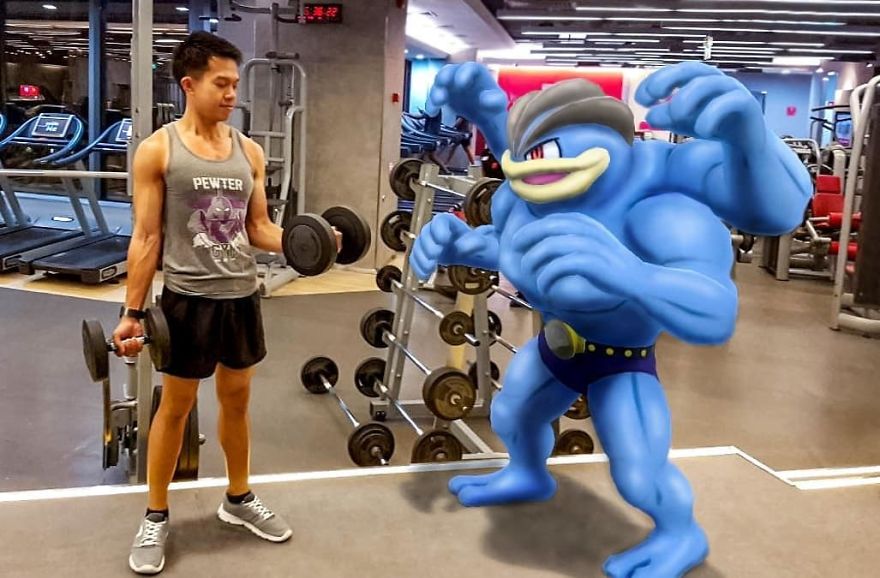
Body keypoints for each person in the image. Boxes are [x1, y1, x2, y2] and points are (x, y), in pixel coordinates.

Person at [113, 31, 338, 575]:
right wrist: (132, 311)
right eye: (222, 83)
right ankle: (156, 513)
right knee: (177, 406)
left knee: (237, 401)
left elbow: (257, 228)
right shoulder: (159, 149)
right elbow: (146, 239)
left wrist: (310, 242)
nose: (232, 94)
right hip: (188, 299)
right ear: (189, 84)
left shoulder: (250, 151)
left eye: (236, 84)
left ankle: (238, 499)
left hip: (241, 296)